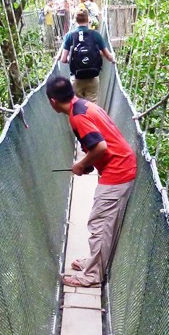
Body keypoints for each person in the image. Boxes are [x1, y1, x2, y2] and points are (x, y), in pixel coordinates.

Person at [46, 75, 137, 288]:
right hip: (119, 165)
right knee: (101, 222)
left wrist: (80, 164)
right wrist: (90, 164)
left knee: (100, 224)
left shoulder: (77, 117)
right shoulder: (85, 105)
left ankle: (92, 276)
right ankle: (93, 262)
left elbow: (101, 147)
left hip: (118, 171)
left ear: (52, 101)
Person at [57, 10, 116, 103]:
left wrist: (74, 60)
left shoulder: (69, 36)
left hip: (76, 78)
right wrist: (113, 59)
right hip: (92, 77)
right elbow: (108, 56)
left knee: (77, 105)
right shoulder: (96, 35)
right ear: (88, 20)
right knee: (92, 107)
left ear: (75, 21)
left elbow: (63, 59)